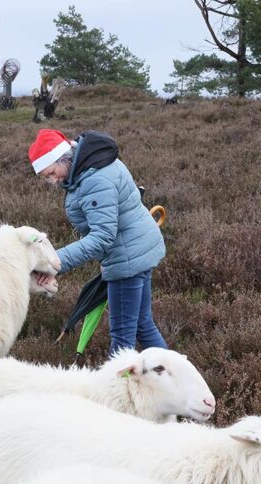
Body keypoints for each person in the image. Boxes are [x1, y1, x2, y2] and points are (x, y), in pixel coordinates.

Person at [29, 129, 167, 354]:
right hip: (138, 248)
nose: (53, 181)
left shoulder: (94, 180)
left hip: (127, 258)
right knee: (143, 326)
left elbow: (103, 236)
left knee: (122, 340)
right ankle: (177, 379)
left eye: (52, 172)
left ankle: (118, 389)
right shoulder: (95, 163)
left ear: (64, 158)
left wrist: (53, 262)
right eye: (47, 177)